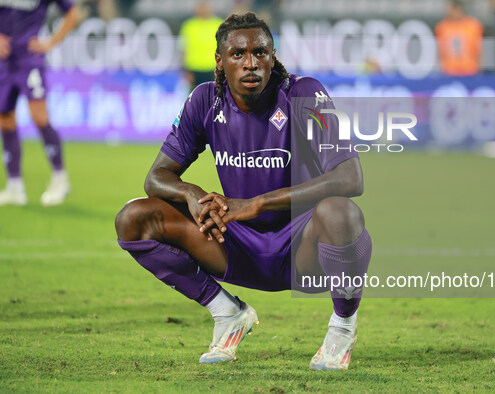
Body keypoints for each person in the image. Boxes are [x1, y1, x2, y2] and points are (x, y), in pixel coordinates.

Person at [115, 12, 372, 371]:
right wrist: (191, 193)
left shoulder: (303, 93)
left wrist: (258, 203)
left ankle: (342, 329)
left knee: (340, 212)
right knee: (134, 218)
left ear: (273, 56)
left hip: (302, 251)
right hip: (232, 243)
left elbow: (351, 177)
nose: (250, 63)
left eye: (260, 53)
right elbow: (156, 177)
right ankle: (227, 312)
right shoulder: (205, 100)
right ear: (219, 61)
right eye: (238, 54)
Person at [0, 0, 80, 206]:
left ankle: (60, 178)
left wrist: (51, 43)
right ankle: (14, 186)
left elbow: (73, 13)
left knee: (39, 116)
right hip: (3, 60)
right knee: (5, 118)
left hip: (29, 59)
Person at [179, 1, 223, 90]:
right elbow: (183, 50)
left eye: (205, 7)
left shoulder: (219, 25)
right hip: (194, 69)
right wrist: (185, 71)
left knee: (214, 98)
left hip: (213, 68)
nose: (203, 10)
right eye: (201, 7)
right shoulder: (189, 26)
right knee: (194, 99)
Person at [435, 0, 483, 76]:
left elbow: (479, 49)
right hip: (449, 71)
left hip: (469, 70)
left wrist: (479, 69)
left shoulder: (473, 25)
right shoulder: (442, 27)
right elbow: (440, 50)